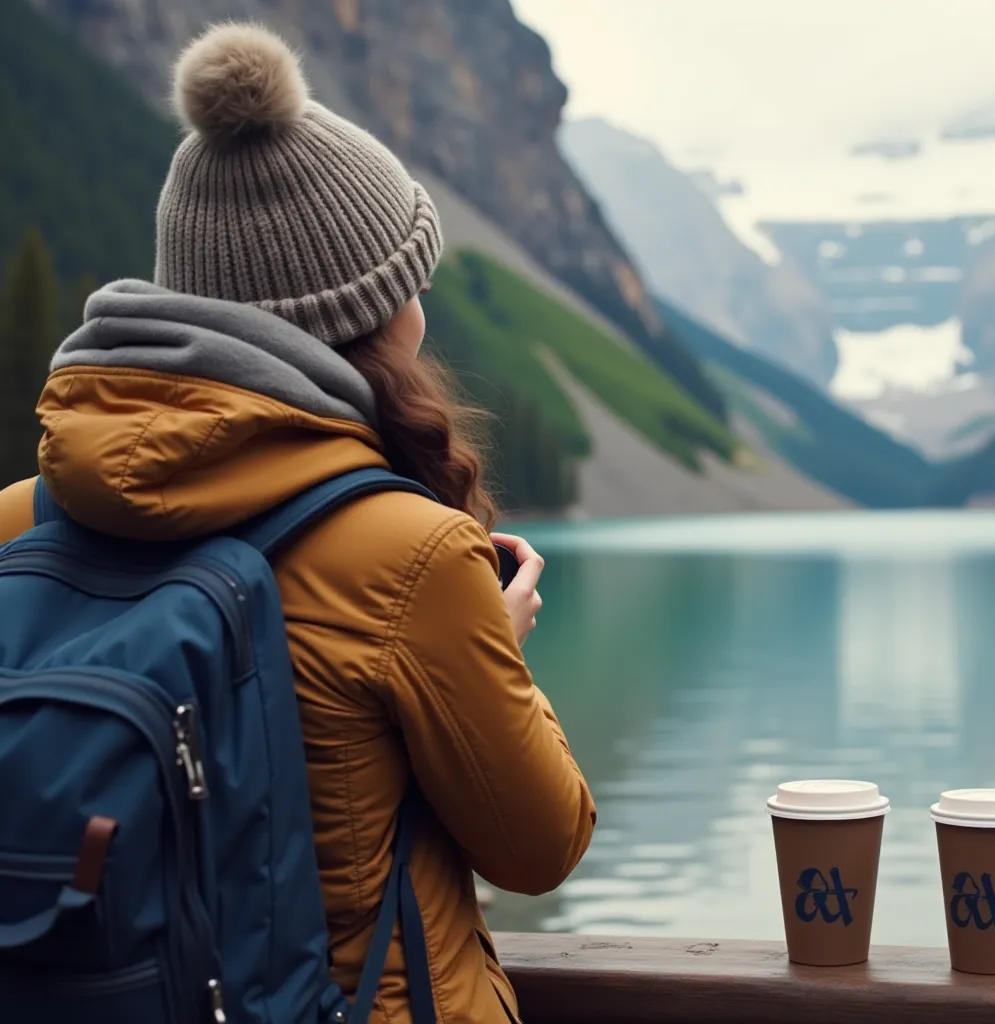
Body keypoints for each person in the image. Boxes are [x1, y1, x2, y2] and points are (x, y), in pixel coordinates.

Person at [0, 22, 595, 1024]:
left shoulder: (21, 519)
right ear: (373, 306)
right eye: (409, 278)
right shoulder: (416, 556)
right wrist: (496, 646)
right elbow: (543, 845)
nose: (421, 302)